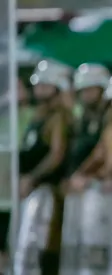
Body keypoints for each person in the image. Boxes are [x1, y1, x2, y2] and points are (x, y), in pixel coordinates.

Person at [19, 59, 72, 274]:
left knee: (43, 246)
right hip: (32, 190)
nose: (39, 90)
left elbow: (56, 155)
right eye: (38, 85)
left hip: (46, 190)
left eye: (45, 85)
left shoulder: (59, 117)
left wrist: (33, 177)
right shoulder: (38, 116)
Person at [68, 63, 111, 190]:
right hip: (82, 184)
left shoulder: (109, 117)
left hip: (101, 183)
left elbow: (102, 153)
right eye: (83, 91)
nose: (86, 95)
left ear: (103, 89)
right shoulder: (83, 119)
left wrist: (83, 173)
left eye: (90, 90)